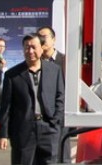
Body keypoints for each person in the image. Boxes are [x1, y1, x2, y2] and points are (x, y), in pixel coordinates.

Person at [0, 33, 64, 165]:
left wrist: (55, 121)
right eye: (27, 47)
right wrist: (3, 134)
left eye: (34, 47)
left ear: (41, 48)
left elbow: (60, 97)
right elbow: (6, 106)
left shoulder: (54, 70)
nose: (30, 51)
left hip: (48, 128)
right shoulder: (12, 75)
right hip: (23, 130)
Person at [38, 26, 70, 162]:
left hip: (60, 112)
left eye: (44, 37)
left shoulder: (65, 61)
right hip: (41, 115)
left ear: (53, 39)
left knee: (62, 151)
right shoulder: (36, 62)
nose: (42, 40)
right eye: (39, 37)